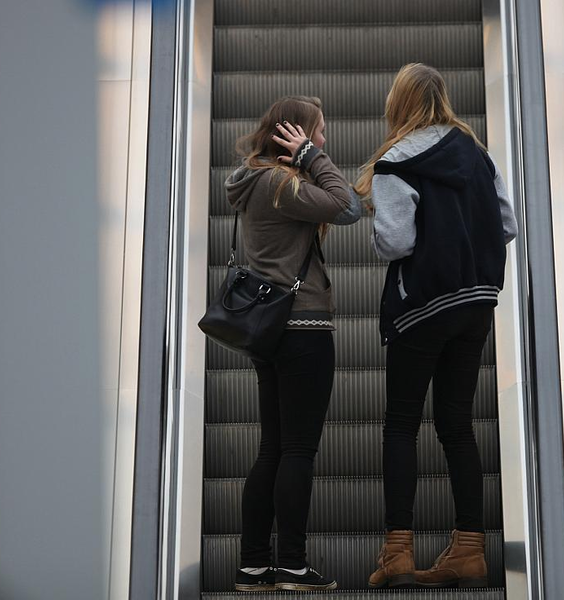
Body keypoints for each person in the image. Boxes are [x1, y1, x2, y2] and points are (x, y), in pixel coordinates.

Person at [355, 63, 517, 589]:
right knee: (456, 423)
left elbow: (396, 244)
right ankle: (468, 549)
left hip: (422, 307)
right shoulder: (477, 153)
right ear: (441, 97)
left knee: (402, 424)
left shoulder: (395, 161)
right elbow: (508, 223)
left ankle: (398, 551)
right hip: (476, 303)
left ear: (399, 102)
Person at [225, 96, 361, 592]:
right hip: (303, 329)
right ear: (296, 135)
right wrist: (311, 158)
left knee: (272, 450)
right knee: (298, 450)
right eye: (317, 133)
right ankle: (292, 565)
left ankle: (254, 564)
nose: (323, 141)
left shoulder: (254, 180)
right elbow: (350, 207)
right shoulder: (284, 183)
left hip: (268, 330)